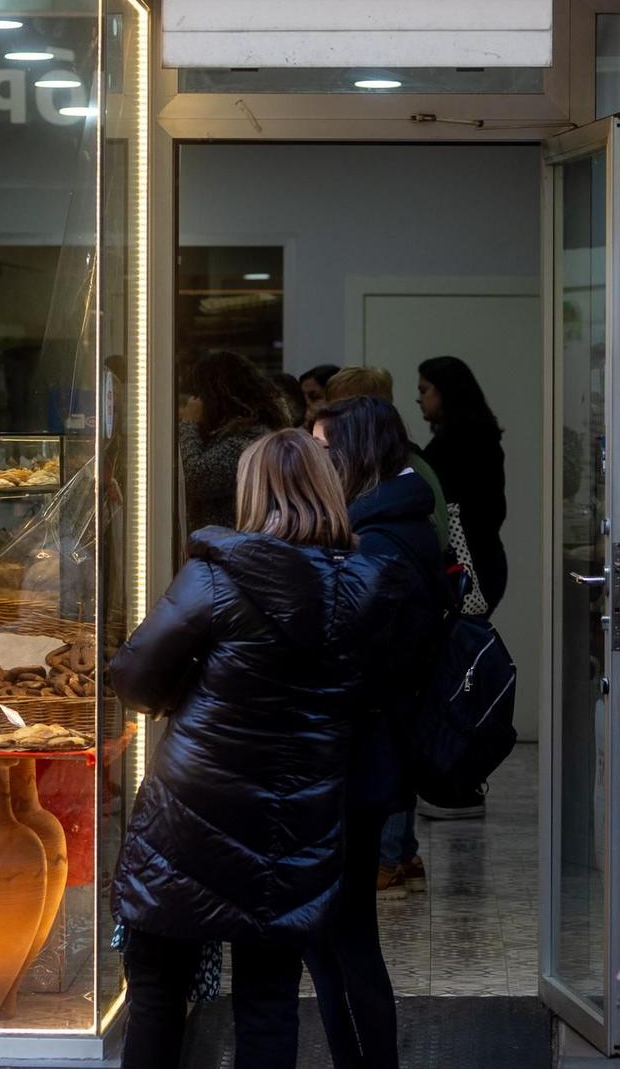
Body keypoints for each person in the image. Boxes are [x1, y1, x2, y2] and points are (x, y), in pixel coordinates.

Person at [110, 430, 408, 1069]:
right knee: (269, 1001)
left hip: (189, 815)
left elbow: (133, 679)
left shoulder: (215, 577)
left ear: (251, 491)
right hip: (296, 821)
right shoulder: (370, 589)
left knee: (159, 992)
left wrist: (189, 687)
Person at [303, 397, 447, 1067]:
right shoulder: (390, 525)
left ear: (355, 455)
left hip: (356, 760)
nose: (314, 462)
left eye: (324, 449)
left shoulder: (381, 540)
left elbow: (363, 658)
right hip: (357, 755)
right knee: (332, 931)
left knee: (346, 932)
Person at [413, 356, 507, 819]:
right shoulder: (479, 438)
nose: (419, 397)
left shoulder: (457, 444)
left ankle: (452, 775)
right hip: (478, 568)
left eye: (426, 388)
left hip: (466, 573)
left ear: (447, 393)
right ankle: (455, 776)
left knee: (455, 677)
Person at [325, 366, 448, 545]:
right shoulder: (351, 463)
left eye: (340, 412)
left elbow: (439, 538)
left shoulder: (410, 466)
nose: (332, 422)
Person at [178, 350, 288, 533]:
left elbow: (194, 480)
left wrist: (189, 424)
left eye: (199, 393)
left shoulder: (246, 441)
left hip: (230, 549)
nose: (195, 401)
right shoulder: (247, 433)